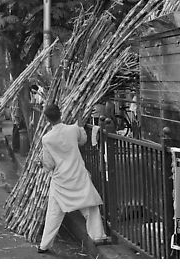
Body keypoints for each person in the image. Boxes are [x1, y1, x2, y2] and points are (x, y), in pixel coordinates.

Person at [36, 103, 109, 253]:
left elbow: (48, 165)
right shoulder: (72, 130)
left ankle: (44, 245)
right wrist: (80, 126)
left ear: (47, 119)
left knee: (54, 213)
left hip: (60, 180)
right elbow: (82, 140)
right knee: (90, 207)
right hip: (78, 175)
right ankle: (98, 236)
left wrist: (41, 162)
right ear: (60, 114)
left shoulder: (47, 138)